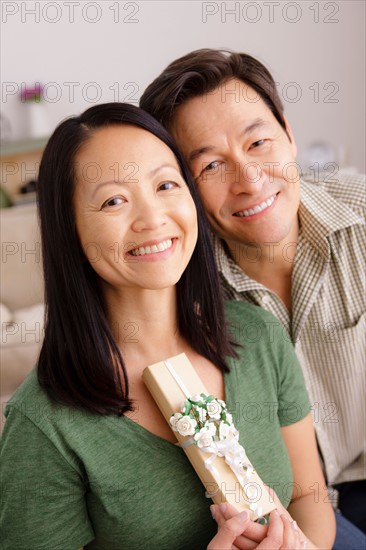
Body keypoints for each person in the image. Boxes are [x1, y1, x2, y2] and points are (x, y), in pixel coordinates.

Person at [0, 103, 335, 550]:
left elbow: (309, 496)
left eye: (165, 184)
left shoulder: (258, 336)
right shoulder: (43, 421)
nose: (153, 218)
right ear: (70, 230)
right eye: (114, 200)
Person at [140, 48, 366, 540]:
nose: (249, 180)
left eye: (258, 142)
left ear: (287, 131)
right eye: (211, 167)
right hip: (283, 504)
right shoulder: (171, 284)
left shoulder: (362, 219)